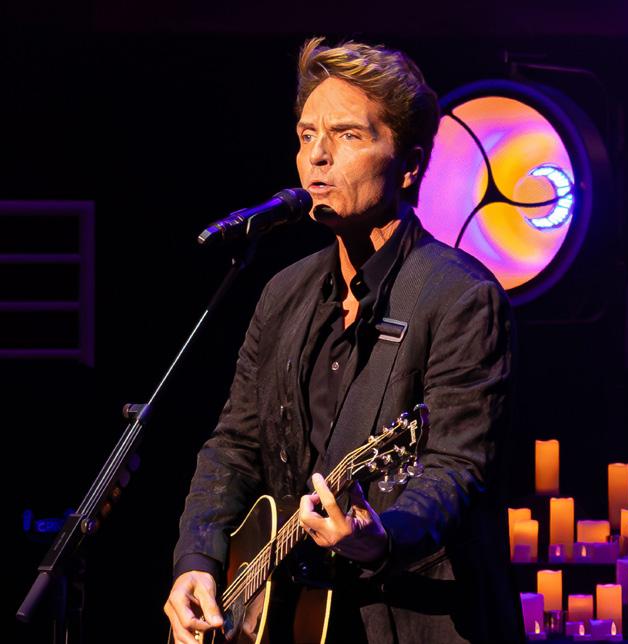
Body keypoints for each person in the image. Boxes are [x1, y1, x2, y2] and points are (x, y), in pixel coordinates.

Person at [164, 37, 523, 644]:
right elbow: (234, 445)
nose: (317, 157)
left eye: (348, 135)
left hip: (416, 621)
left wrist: (382, 535)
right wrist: (197, 559)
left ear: (409, 165)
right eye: (307, 136)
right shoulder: (283, 294)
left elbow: (459, 468)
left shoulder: (461, 297)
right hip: (295, 617)